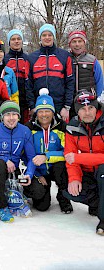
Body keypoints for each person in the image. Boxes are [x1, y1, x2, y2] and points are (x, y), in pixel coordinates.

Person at [0, 101, 36, 222]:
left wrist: (29, 174)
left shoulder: (25, 131)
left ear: (19, 116)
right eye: (7, 115)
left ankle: (20, 196)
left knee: (40, 195)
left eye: (14, 114)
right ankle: (1, 206)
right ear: (1, 117)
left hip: (16, 169)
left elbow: (31, 157)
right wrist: (4, 160)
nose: (11, 118)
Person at [24, 88, 73, 213]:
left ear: (53, 112)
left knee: (61, 167)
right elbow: (24, 154)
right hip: (38, 169)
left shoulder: (61, 127)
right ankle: (35, 192)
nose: (44, 115)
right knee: (42, 207)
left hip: (55, 167)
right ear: (36, 112)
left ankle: (64, 198)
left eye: (47, 111)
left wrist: (47, 156)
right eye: (41, 111)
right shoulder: (29, 128)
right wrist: (37, 174)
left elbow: (67, 152)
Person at [63, 90, 104, 235]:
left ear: (96, 107)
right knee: (70, 189)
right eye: (83, 109)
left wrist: (79, 157)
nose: (87, 113)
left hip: (101, 171)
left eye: (91, 108)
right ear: (77, 111)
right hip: (87, 171)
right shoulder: (72, 126)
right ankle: (98, 204)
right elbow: (69, 156)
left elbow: (74, 157)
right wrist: (74, 179)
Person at [27, 23, 75, 122]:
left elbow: (70, 82)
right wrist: (32, 106)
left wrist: (66, 107)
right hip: (39, 105)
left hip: (60, 106)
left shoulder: (64, 56)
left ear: (54, 37)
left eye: (50, 35)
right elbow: (28, 84)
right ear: (40, 37)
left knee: (60, 136)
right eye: (44, 35)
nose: (47, 37)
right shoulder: (31, 58)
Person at [68, 30, 103, 108]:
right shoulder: (66, 59)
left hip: (88, 100)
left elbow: (99, 81)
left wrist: (98, 97)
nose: (77, 44)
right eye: (74, 42)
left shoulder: (92, 60)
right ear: (70, 44)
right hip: (70, 101)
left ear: (84, 43)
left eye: (80, 41)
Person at [4, 29, 31, 123]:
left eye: (19, 39)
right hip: (10, 100)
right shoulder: (4, 59)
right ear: (9, 42)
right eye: (13, 39)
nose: (16, 41)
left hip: (25, 101)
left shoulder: (28, 58)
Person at [0, 39, 19, 104]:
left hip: (7, 106)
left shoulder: (9, 71)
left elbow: (15, 94)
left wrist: (15, 107)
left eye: (1, 51)